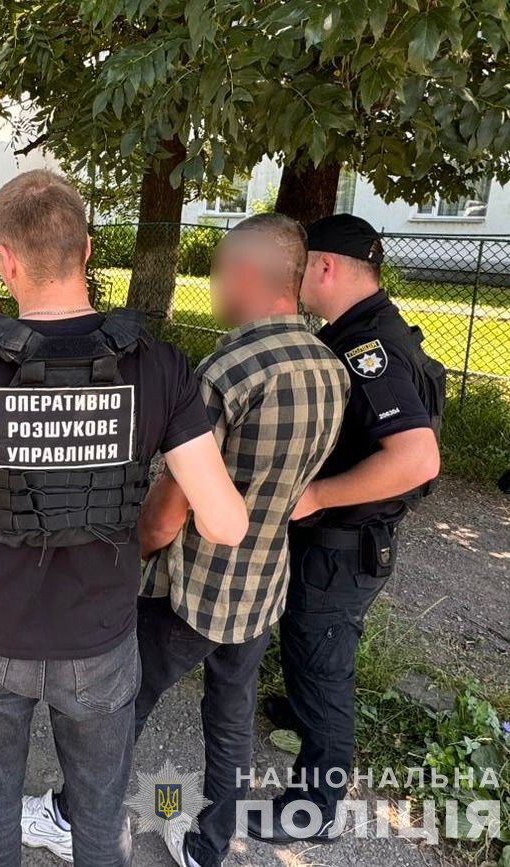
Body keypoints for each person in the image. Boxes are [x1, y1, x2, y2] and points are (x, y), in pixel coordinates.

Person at [0, 169, 250, 867]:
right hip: (99, 638)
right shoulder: (159, 367)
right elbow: (225, 523)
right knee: (98, 812)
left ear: (3, 259)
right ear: (87, 250)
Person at [19, 214, 350, 867]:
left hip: (191, 586)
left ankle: (69, 814)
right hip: (262, 585)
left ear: (250, 276)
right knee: (230, 714)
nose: (212, 282)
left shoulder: (227, 369)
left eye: (219, 269)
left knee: (118, 702)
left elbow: (171, 502)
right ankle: (208, 843)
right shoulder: (328, 365)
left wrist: (126, 555)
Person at [249, 214, 445, 845]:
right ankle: (307, 714)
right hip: (340, 544)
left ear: (325, 267)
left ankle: (317, 806)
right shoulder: (362, 329)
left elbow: (417, 457)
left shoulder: (369, 349)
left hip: (343, 547)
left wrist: (317, 495)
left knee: (322, 662)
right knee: (312, 655)